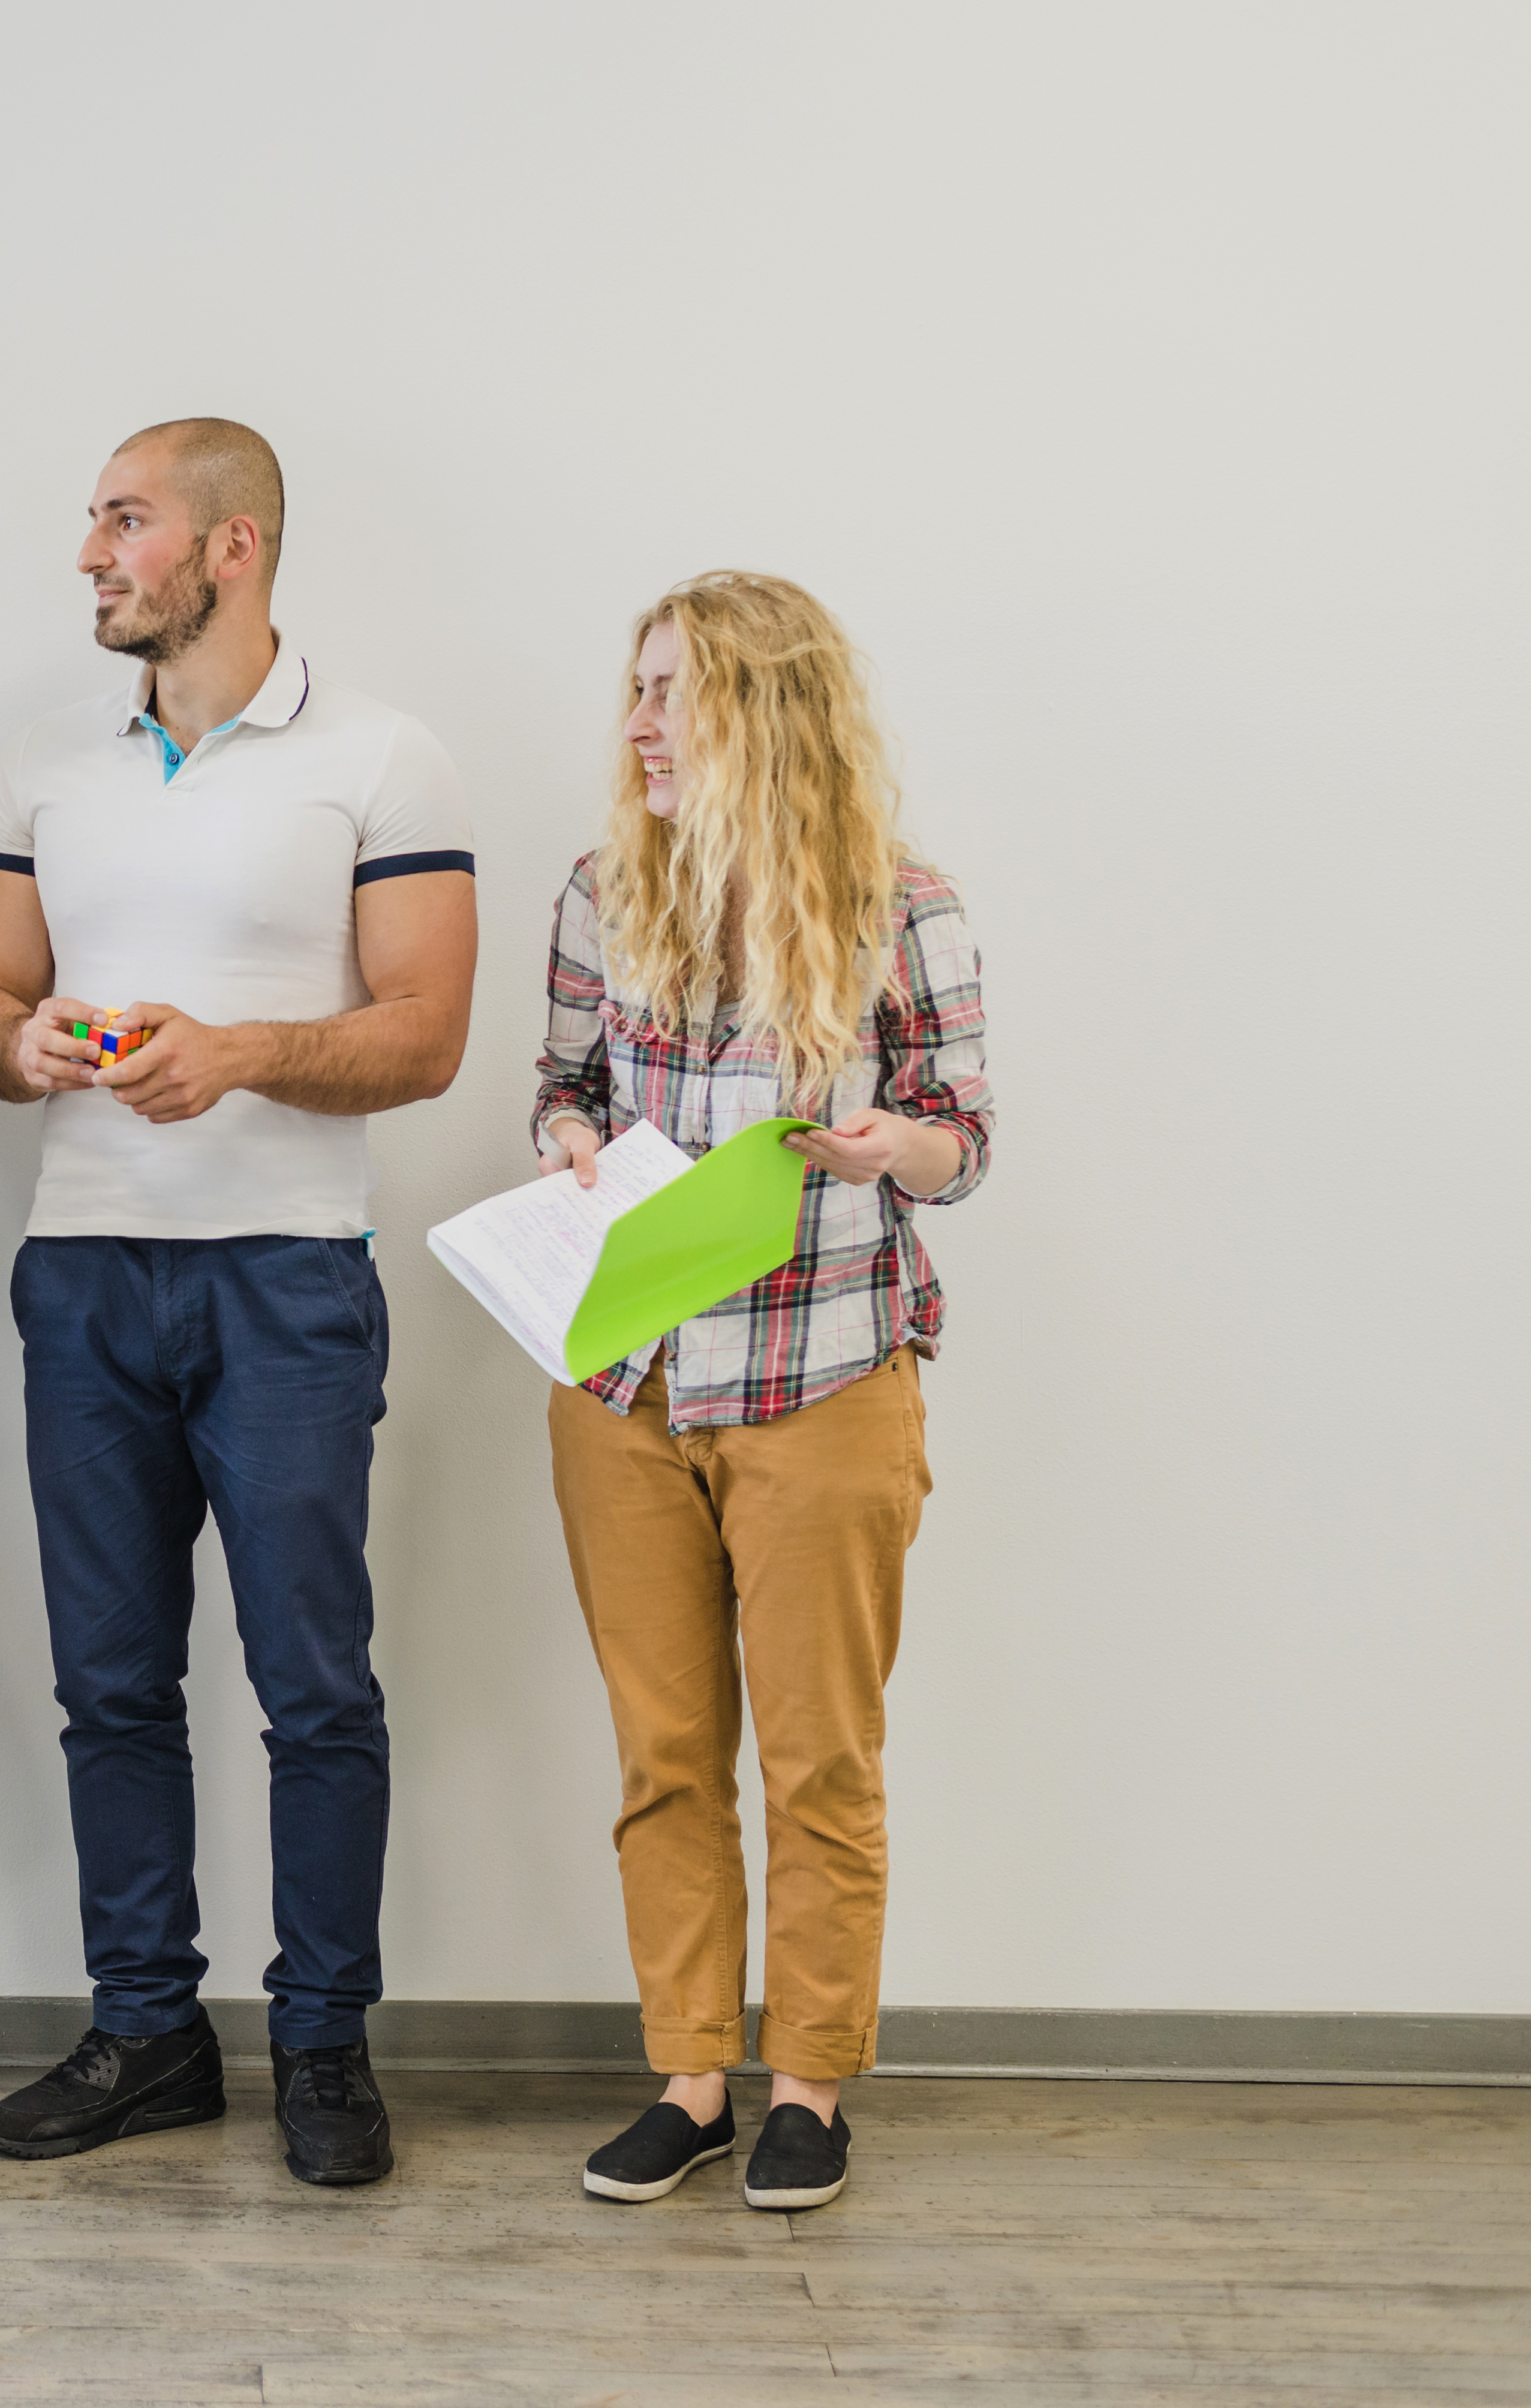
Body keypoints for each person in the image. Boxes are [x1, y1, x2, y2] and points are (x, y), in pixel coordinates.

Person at [0, 420, 476, 2189]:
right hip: (85, 1270)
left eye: (123, 520)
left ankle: (323, 2045)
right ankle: (147, 2034)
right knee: (112, 1684)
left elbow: (425, 1032)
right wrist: (19, 1046)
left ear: (230, 545)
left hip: (287, 1283)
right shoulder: (51, 762)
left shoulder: (383, 757)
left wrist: (239, 1053)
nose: (93, 552)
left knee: (314, 1685)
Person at [536, 571, 994, 2216]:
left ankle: (809, 2086)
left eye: (677, 692)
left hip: (824, 1383)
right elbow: (564, 1091)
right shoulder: (606, 893)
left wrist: (895, 1148)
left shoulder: (899, 907)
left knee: (818, 1763)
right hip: (629, 1387)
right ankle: (690, 2081)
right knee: (666, 1758)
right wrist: (572, 1147)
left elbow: (965, 1138)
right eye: (638, 690)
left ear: (767, 712)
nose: (642, 725)